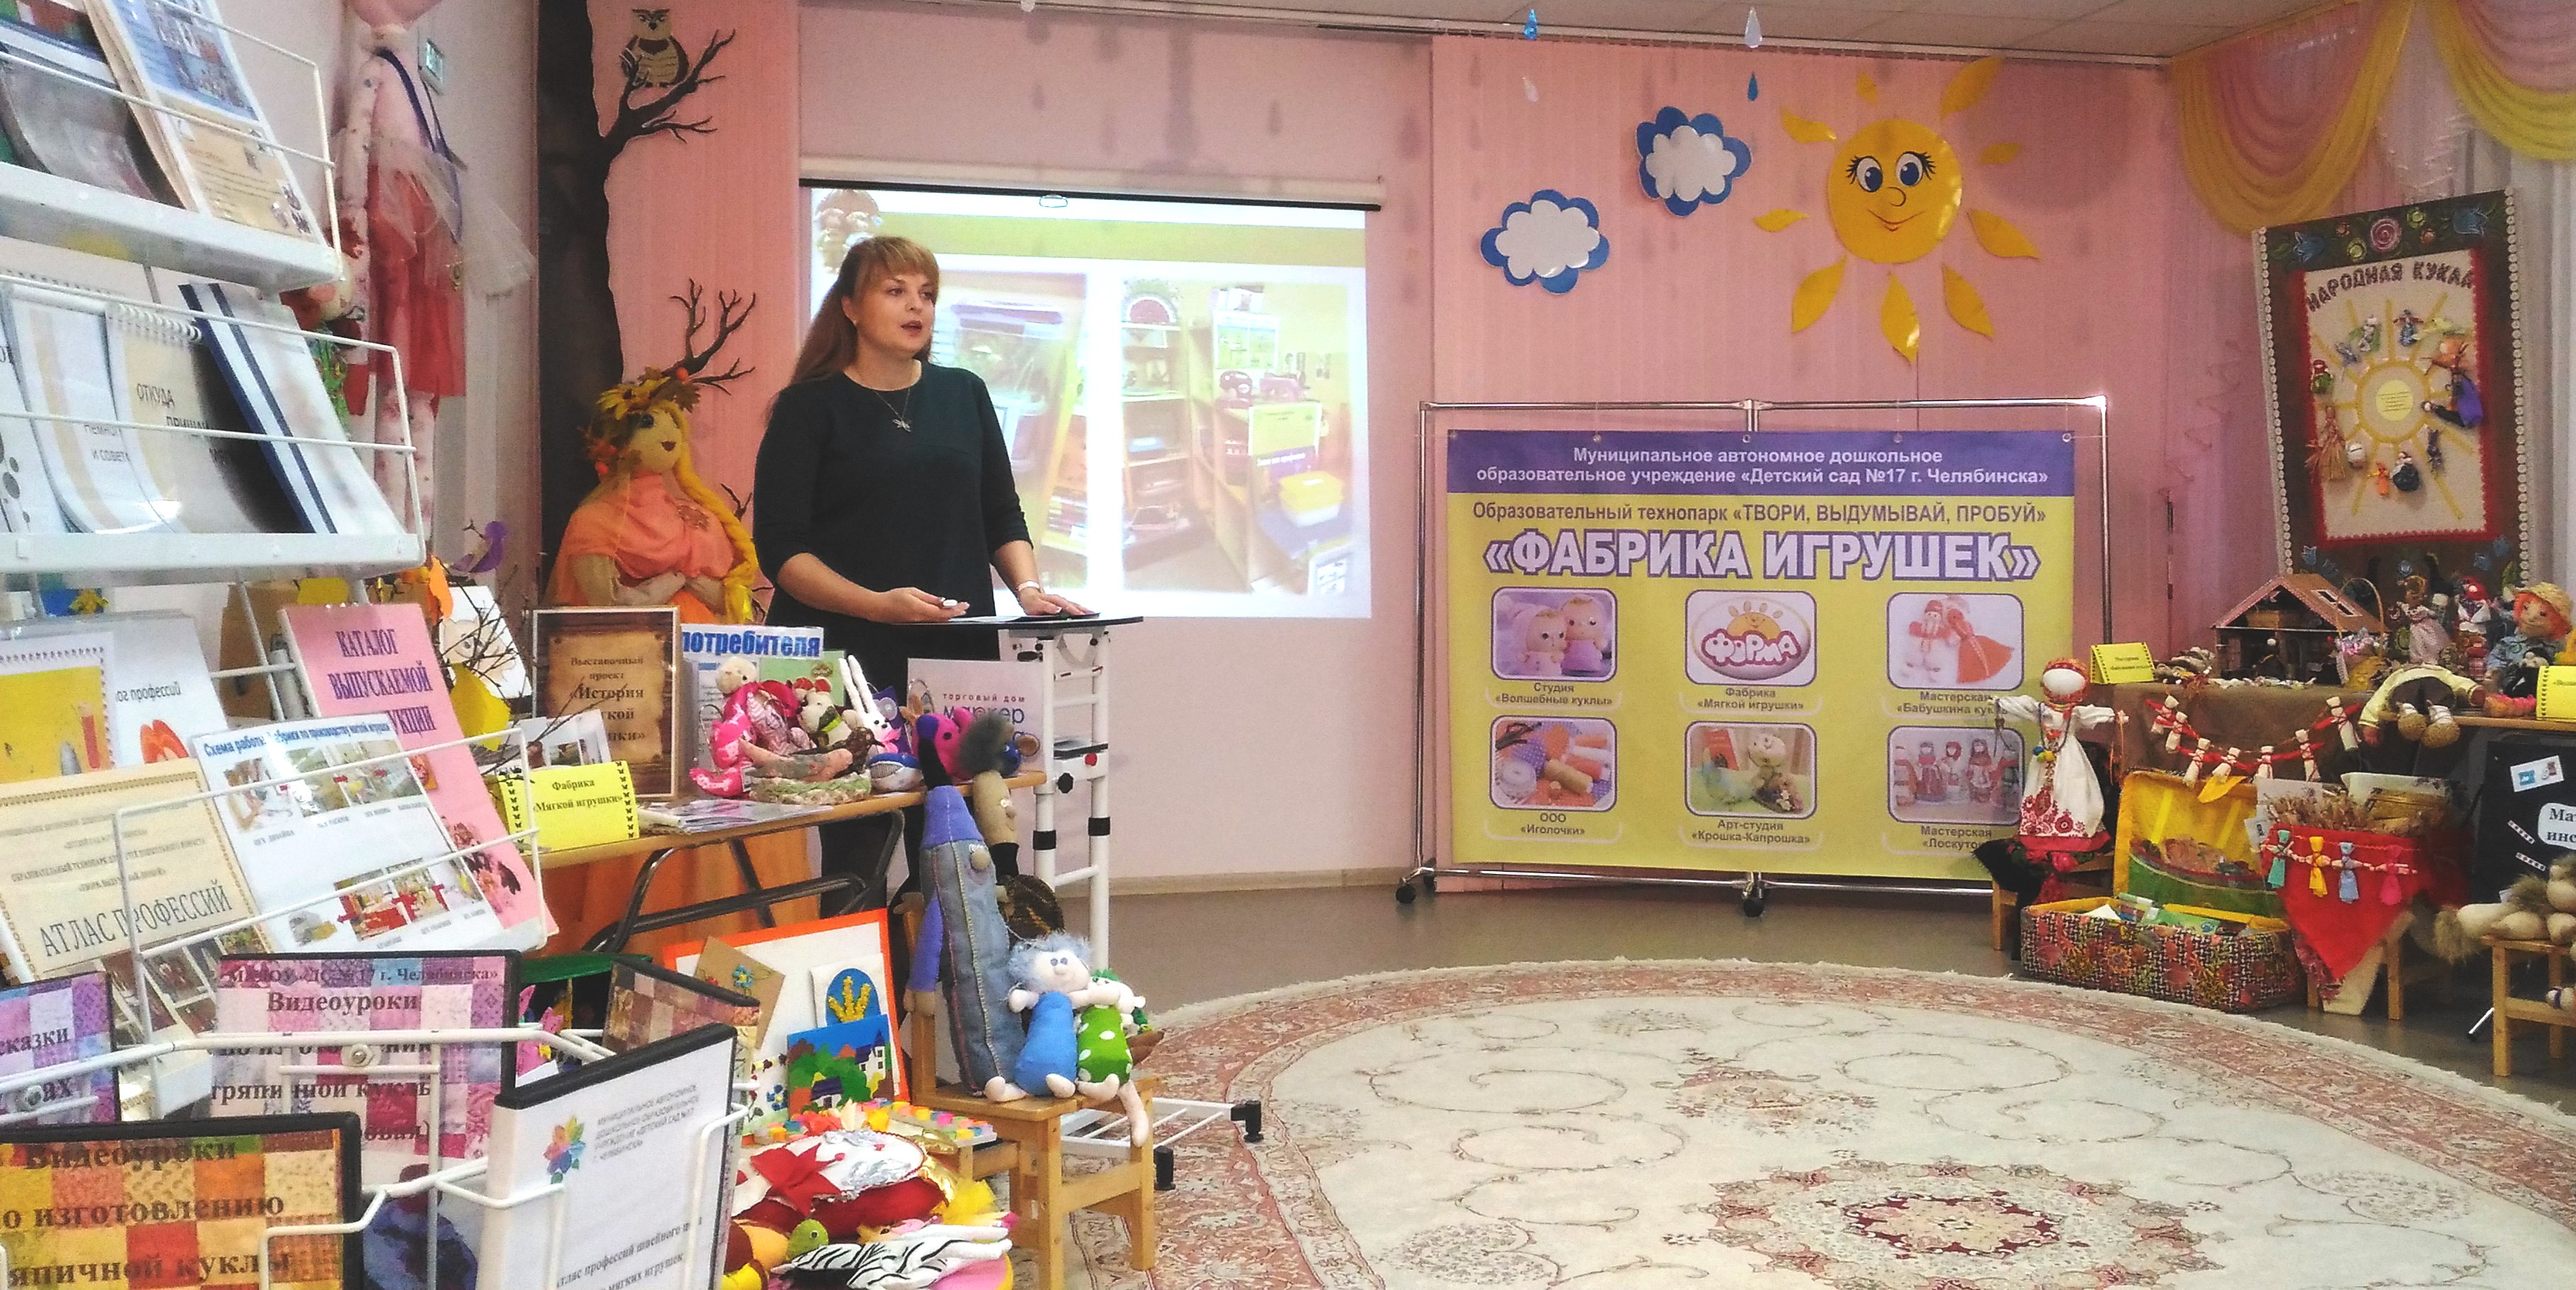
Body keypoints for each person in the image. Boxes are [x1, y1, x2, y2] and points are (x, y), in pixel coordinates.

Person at [755, 235, 1087, 902]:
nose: (917, 307)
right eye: (895, 291)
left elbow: (1000, 512)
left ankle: (950, 973)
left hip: (952, 654)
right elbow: (782, 553)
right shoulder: (808, 407)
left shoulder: (964, 394)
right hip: (845, 661)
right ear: (850, 307)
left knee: (959, 857)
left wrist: (1026, 588)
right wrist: (877, 605)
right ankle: (860, 974)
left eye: (927, 294)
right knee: (858, 858)